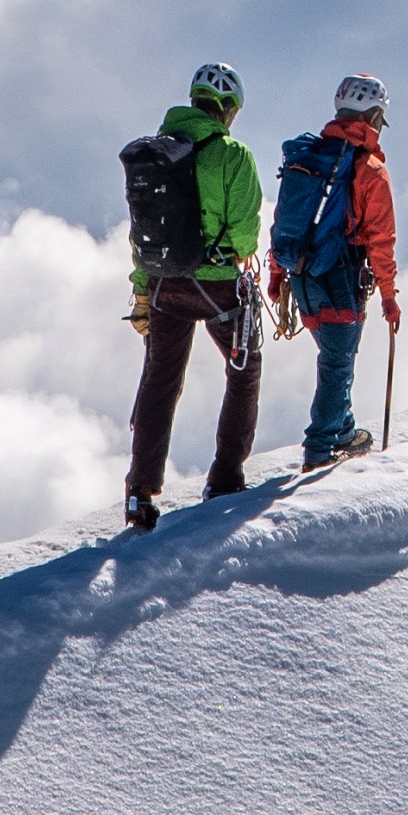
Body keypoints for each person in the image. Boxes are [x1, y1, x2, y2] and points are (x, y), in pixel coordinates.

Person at [119, 59, 266, 529]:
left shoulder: (158, 152)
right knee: (244, 368)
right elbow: (244, 235)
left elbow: (142, 235)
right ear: (227, 109)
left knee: (161, 380)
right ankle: (225, 475)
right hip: (218, 285)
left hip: (163, 284)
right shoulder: (233, 155)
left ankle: (139, 492)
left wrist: (142, 294)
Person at [268, 72, 402, 470]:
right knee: (338, 362)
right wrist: (391, 296)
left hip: (301, 277)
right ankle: (323, 445)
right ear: (374, 115)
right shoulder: (369, 169)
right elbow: (381, 239)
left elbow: (284, 222)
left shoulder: (307, 158)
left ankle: (343, 428)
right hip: (341, 276)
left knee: (334, 356)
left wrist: (276, 274)